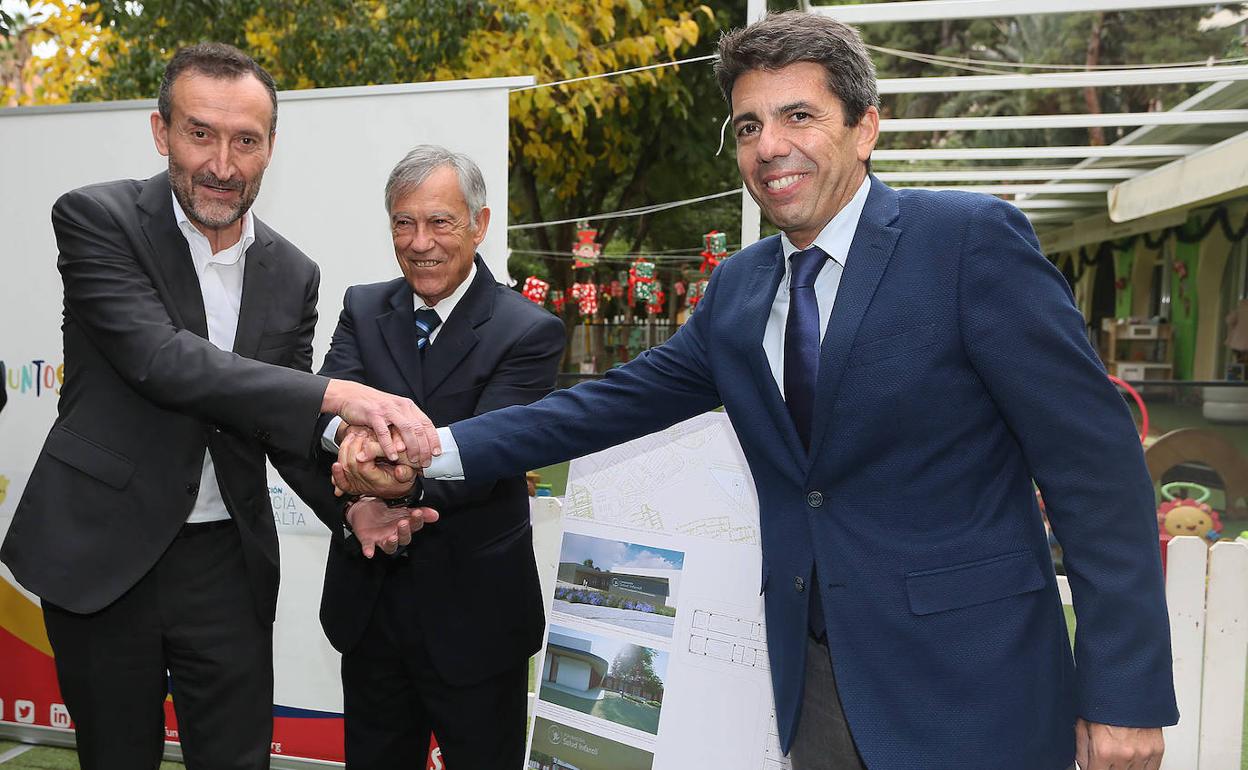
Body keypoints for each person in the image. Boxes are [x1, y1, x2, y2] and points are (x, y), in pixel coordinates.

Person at [338, 12, 1177, 770]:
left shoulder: (967, 244)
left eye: (799, 115)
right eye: (748, 125)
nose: (769, 145)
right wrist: (429, 451)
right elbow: (597, 407)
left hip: (972, 682)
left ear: (866, 127)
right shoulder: (738, 293)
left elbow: (1095, 471)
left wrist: (1125, 693)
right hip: (811, 684)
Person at [0, 43, 437, 770]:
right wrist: (338, 393)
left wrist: (351, 504)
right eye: (200, 133)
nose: (223, 165)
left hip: (225, 564)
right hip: (104, 554)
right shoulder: (96, 218)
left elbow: (281, 420)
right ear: (160, 130)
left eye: (246, 141)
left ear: (271, 146)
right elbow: (162, 361)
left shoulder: (293, 271)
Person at [310, 145, 565, 769]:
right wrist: (348, 440)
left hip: (474, 620)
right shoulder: (364, 307)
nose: (420, 241)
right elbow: (324, 408)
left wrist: (387, 481)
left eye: (440, 222)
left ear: (478, 225)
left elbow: (490, 451)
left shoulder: (527, 331)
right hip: (371, 607)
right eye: (404, 222)